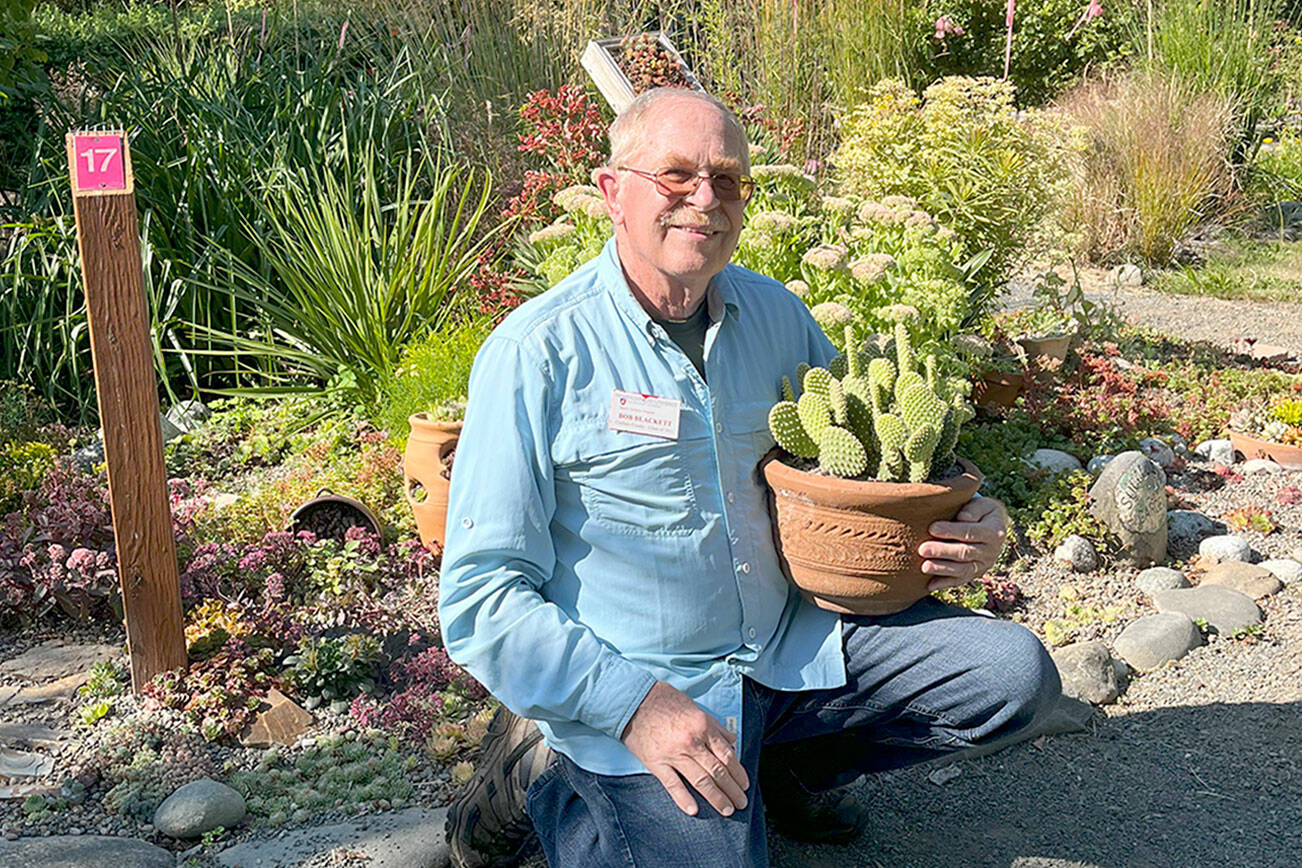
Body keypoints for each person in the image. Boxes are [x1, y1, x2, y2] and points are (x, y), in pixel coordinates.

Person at [438, 87, 1061, 868]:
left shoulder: (778, 318)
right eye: (676, 176)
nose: (705, 199)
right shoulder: (539, 353)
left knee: (1012, 676)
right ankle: (547, 773)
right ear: (611, 192)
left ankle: (777, 769)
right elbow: (480, 596)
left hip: (786, 647)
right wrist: (633, 707)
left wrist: (967, 522)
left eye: (727, 179)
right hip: (650, 683)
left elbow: (863, 473)